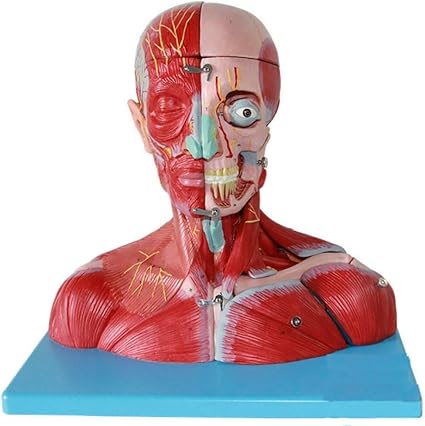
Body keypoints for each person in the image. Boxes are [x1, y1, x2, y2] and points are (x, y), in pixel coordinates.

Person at [49, 2, 396, 364]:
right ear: (142, 125)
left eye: (242, 112)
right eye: (170, 108)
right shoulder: (90, 299)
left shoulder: (346, 292)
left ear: (267, 123)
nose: (206, 143)